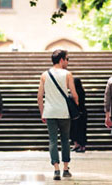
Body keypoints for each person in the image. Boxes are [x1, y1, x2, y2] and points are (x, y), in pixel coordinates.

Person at [37, 49, 78, 180]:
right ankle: (66, 169)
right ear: (61, 60)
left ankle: (56, 169)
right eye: (67, 59)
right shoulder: (67, 74)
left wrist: (42, 112)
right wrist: (76, 104)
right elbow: (74, 94)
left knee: (53, 140)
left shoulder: (44, 75)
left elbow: (39, 96)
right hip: (64, 112)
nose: (67, 62)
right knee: (65, 140)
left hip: (50, 113)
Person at [70, 78, 87, 153]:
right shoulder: (82, 91)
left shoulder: (75, 92)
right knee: (82, 130)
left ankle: (77, 144)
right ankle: (82, 146)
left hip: (76, 113)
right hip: (83, 112)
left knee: (75, 130)